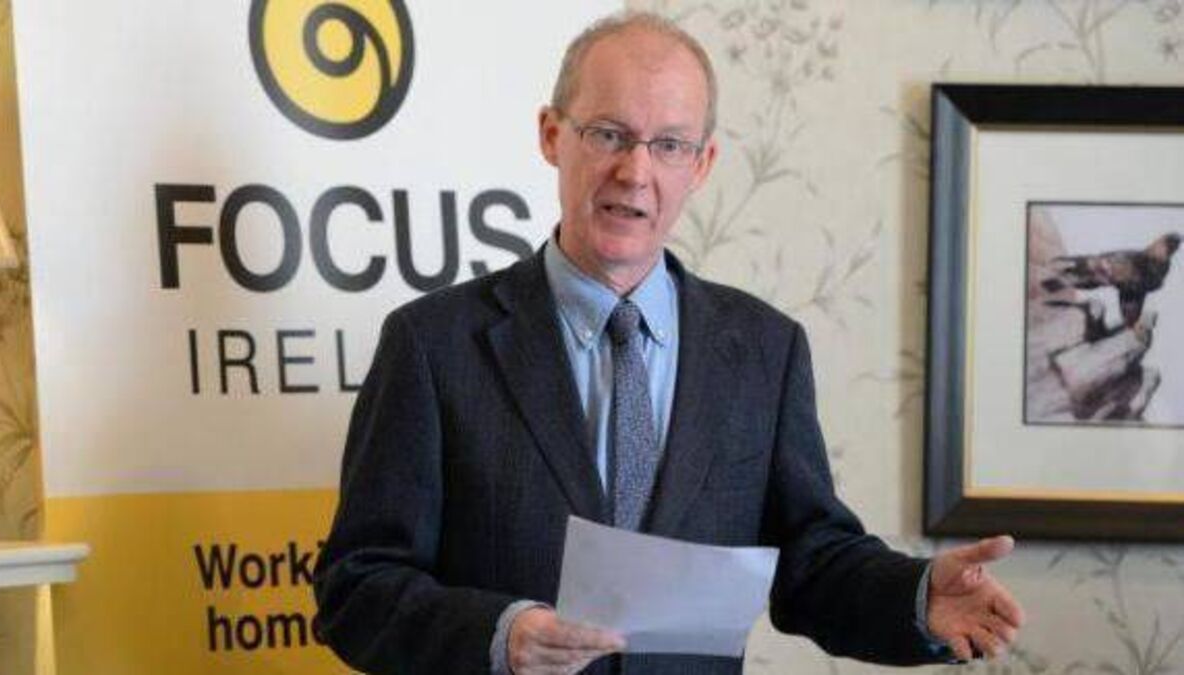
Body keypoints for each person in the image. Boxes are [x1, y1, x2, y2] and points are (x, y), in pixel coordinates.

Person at [314, 11, 1024, 675]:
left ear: (702, 164)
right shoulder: (432, 345)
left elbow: (812, 563)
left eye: (669, 145)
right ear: (552, 135)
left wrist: (914, 596)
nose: (635, 171)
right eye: (608, 134)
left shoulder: (765, 351)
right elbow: (358, 587)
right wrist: (501, 634)